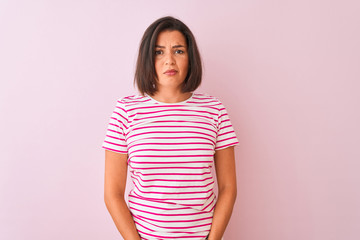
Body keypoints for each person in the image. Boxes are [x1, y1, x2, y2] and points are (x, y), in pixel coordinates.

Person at [102, 16, 239, 240]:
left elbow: (228, 187)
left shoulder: (214, 110)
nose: (169, 61)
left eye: (178, 51)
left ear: (190, 57)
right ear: (147, 59)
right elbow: (112, 194)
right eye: (158, 52)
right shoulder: (126, 111)